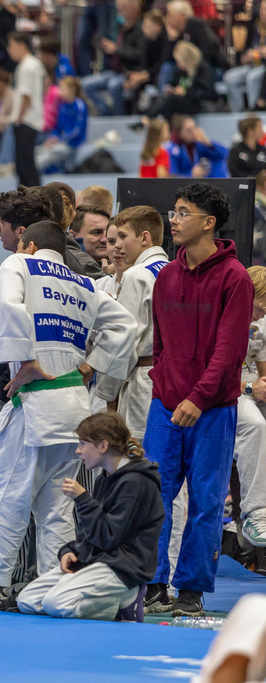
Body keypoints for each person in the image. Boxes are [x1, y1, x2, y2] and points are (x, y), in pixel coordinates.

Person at [0, 220, 136, 609]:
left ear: (29, 243)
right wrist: (89, 368)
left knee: (3, 496)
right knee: (56, 507)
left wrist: (22, 360)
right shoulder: (84, 284)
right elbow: (127, 326)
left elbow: (7, 306)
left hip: (37, 406)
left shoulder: (20, 265)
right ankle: (54, 589)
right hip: (73, 408)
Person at [143, 182, 254, 617]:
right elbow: (161, 342)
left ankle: (190, 590)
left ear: (209, 223)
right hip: (164, 406)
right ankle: (153, 584)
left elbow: (229, 352)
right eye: (173, 212)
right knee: (155, 496)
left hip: (213, 410)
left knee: (206, 502)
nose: (174, 219)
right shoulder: (166, 277)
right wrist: (162, 384)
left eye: (183, 213)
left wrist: (198, 397)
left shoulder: (236, 278)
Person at [17, 412, 165, 621]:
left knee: (55, 603)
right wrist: (71, 550)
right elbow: (93, 531)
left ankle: (126, 599)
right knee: (27, 600)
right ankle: (112, 603)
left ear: (103, 446)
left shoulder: (136, 482)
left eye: (82, 443)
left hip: (123, 568)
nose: (78, 451)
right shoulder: (105, 478)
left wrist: (83, 499)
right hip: (100, 559)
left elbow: (108, 536)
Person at [97, 205, 170, 437]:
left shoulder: (137, 274)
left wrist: (107, 394)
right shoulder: (172, 269)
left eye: (122, 236)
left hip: (143, 383)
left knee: (135, 465)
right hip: (172, 380)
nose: (116, 245)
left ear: (145, 238)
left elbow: (123, 341)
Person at [235, 266, 266, 547]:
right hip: (227, 390)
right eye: (260, 305)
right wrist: (248, 388)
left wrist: (259, 387)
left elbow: (263, 373)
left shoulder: (261, 325)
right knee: (256, 425)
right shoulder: (222, 317)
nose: (264, 312)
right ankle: (255, 513)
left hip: (250, 389)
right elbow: (210, 375)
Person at [82, 0, 147, 117]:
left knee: (114, 85)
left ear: (133, 9)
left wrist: (116, 50)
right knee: (85, 84)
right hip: (115, 72)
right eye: (119, 8)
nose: (119, 12)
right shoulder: (121, 29)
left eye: (122, 8)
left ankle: (119, 118)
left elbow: (139, 55)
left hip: (130, 73)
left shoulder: (141, 30)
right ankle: (107, 114)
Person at [7, 31, 45, 187]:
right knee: (27, 164)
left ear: (21, 45)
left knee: (24, 166)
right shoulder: (35, 63)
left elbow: (26, 95)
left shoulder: (26, 66)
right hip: (33, 119)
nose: (9, 50)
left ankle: (30, 200)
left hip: (26, 120)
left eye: (11, 46)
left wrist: (18, 117)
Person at [147, 41, 219, 122]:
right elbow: (174, 83)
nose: (178, 64)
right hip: (183, 102)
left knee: (170, 102)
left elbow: (208, 93)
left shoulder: (203, 69)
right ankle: (162, 126)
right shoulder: (180, 71)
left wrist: (186, 92)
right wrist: (172, 89)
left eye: (179, 61)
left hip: (199, 103)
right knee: (166, 102)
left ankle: (148, 119)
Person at [36, 77, 87, 173]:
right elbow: (57, 128)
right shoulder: (62, 105)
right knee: (38, 149)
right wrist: (51, 138)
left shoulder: (80, 105)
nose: (60, 91)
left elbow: (76, 131)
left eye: (62, 88)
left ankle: (33, 169)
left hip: (73, 144)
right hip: (61, 142)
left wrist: (59, 140)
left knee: (48, 154)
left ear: (72, 89)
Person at [222, 1, 266, 113]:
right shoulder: (255, 27)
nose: (263, 13)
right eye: (262, 10)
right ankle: (238, 114)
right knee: (230, 78)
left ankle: (254, 113)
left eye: (265, 10)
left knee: (252, 78)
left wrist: (261, 53)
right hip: (253, 65)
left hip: (263, 68)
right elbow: (245, 50)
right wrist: (245, 56)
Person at [165, 115, 228, 179]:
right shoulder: (172, 150)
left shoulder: (198, 145)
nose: (193, 133)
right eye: (188, 130)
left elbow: (224, 155)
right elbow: (171, 176)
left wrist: (208, 142)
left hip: (198, 183)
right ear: (179, 134)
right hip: (181, 185)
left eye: (194, 128)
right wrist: (190, 174)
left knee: (218, 162)